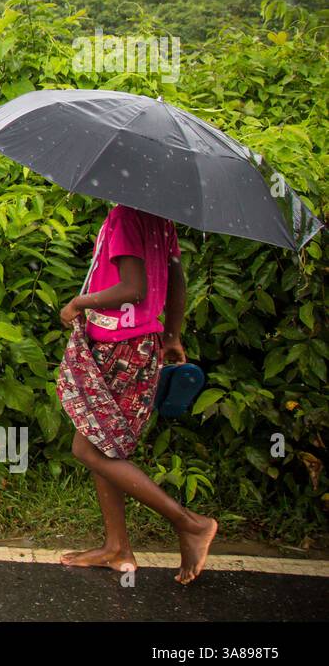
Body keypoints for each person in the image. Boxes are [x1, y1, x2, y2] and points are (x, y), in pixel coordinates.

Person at [56, 203, 218, 584]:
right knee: (105, 445)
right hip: (143, 341)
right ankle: (117, 547)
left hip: (119, 345)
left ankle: (189, 523)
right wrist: (173, 335)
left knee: (88, 448)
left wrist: (79, 302)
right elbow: (177, 281)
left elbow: (133, 288)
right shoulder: (161, 218)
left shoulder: (127, 216)